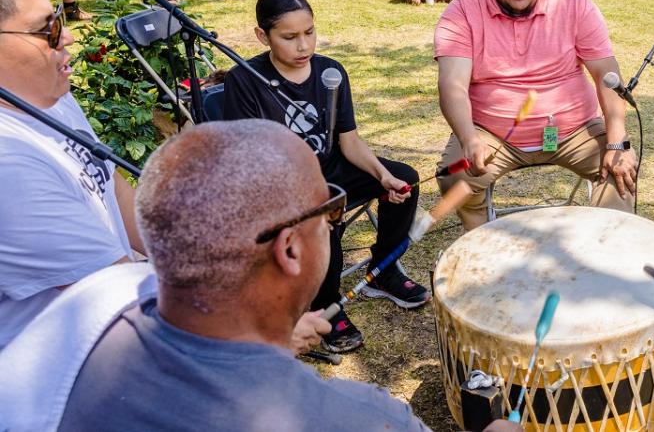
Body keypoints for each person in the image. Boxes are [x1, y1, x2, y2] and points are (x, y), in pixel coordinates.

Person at [13, 120, 511, 431]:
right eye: (331, 207)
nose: (336, 216)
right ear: (289, 249)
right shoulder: (362, 418)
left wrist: (265, 338)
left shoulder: (78, 315)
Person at [222, 0, 430, 354]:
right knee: (323, 214)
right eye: (289, 37)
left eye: (310, 32)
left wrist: (382, 175)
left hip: (331, 167)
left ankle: (383, 270)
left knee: (406, 178)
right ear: (262, 36)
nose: (304, 46)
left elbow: (349, 143)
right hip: (283, 183)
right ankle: (325, 305)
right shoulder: (245, 79)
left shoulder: (330, 71)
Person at [433, 0, 637, 229]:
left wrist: (617, 140)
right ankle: (483, 244)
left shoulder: (573, 3)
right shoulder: (462, 11)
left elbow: (606, 74)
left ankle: (605, 252)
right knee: (455, 175)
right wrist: (469, 138)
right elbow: (452, 86)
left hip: (573, 129)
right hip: (492, 135)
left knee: (621, 168)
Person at [0, 0, 140, 349]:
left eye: (57, 16)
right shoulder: (8, 166)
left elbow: (109, 184)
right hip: (65, 384)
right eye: (46, 29)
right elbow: (118, 298)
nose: (68, 36)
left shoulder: (45, 94)